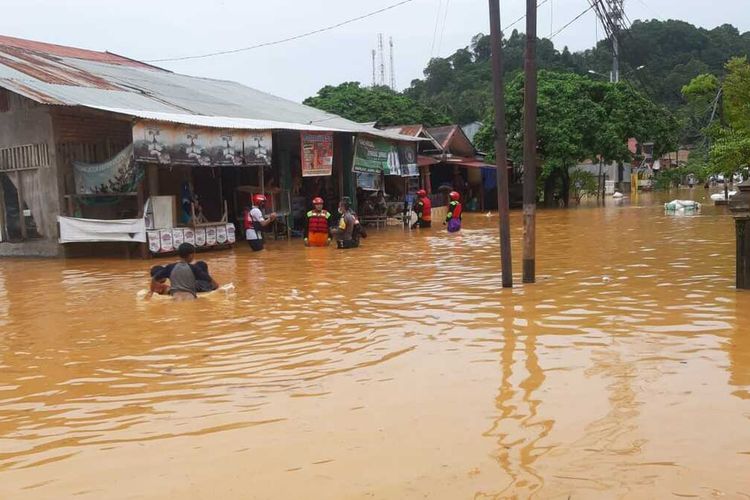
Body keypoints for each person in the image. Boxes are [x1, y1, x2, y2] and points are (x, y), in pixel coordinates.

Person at [148, 248, 219, 299]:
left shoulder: (170, 270)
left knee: (201, 265)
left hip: (196, 285)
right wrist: (217, 287)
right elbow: (208, 279)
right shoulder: (192, 269)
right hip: (196, 286)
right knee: (201, 265)